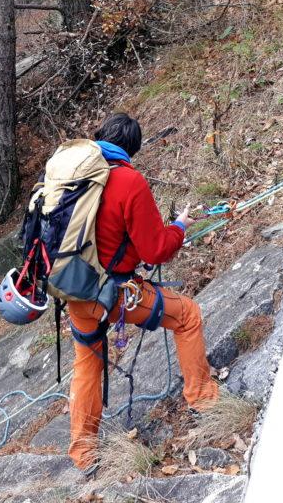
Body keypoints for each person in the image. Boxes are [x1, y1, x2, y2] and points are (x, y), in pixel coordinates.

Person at [66, 113, 219, 470]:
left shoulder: (72, 174)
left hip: (74, 292)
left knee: (88, 361)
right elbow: (155, 250)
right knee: (187, 315)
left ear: (99, 135)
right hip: (115, 294)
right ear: (132, 149)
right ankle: (205, 401)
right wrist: (179, 227)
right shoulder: (128, 182)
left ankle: (84, 456)